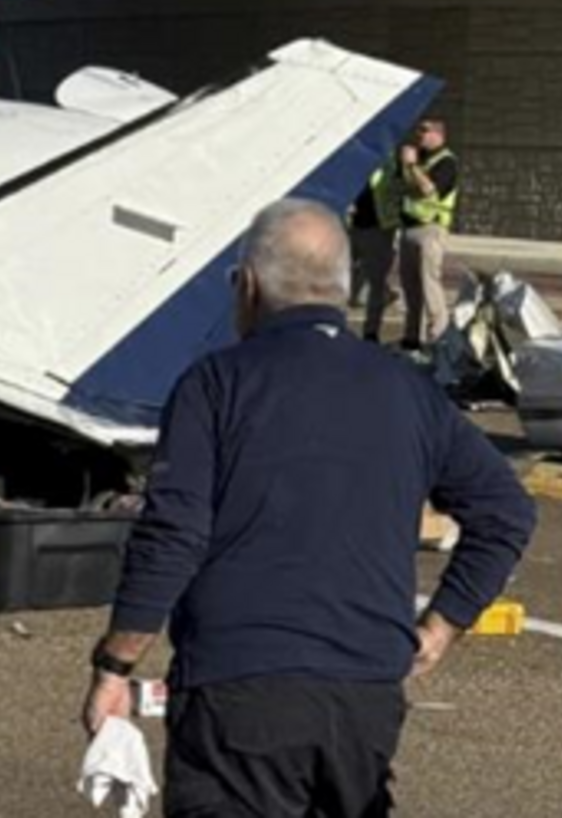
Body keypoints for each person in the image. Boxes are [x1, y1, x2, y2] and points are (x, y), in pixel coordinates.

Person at [81, 199, 535, 817]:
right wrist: (441, 624)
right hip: (365, 693)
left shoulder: (215, 384)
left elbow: (174, 534)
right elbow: (505, 511)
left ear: (246, 287)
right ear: (342, 290)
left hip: (239, 688)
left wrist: (116, 661)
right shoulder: (407, 388)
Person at [395, 119, 459, 351]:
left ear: (438, 134)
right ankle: (412, 338)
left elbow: (428, 190)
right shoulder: (423, 159)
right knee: (410, 288)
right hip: (409, 228)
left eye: (424, 130)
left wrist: (412, 166)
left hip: (430, 230)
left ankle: (439, 336)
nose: (418, 134)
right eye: (417, 130)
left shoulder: (447, 162)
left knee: (429, 284)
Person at [347, 166, 400, 343]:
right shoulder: (374, 169)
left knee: (374, 280)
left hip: (376, 229)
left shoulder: (387, 169)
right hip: (361, 228)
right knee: (357, 276)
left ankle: (370, 332)